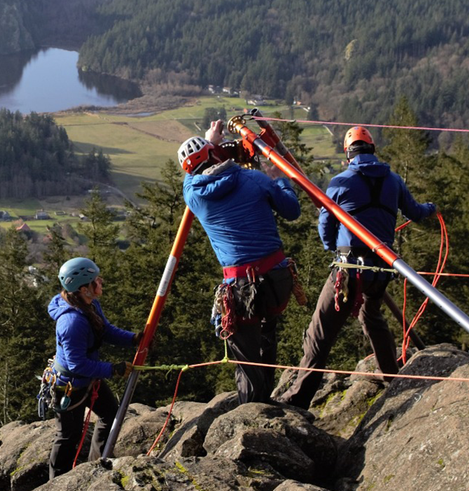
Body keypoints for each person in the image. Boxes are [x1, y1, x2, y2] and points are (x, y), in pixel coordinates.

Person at [280, 126, 436, 409]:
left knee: (320, 333)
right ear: (372, 149)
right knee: (372, 317)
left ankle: (299, 399)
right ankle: (392, 376)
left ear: (347, 153)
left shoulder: (341, 181)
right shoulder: (394, 181)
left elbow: (326, 223)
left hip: (349, 268)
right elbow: (414, 211)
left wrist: (332, 247)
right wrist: (431, 208)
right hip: (381, 268)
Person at [178, 120, 301, 404]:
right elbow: (291, 211)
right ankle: (265, 401)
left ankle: (252, 410)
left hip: (241, 287)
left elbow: (190, 179)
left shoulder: (195, 196)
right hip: (277, 277)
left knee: (245, 357)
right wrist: (279, 178)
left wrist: (211, 143)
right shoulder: (255, 179)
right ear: (214, 154)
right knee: (267, 335)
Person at [47, 257, 138, 478]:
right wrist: (112, 369)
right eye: (96, 280)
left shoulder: (89, 305)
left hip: (86, 380)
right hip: (68, 385)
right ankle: (56, 483)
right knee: (69, 435)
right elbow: (77, 364)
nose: (101, 282)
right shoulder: (71, 322)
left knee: (110, 412)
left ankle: (97, 464)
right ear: (84, 288)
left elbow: (105, 330)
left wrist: (133, 339)